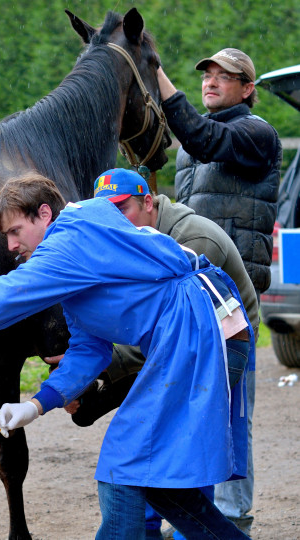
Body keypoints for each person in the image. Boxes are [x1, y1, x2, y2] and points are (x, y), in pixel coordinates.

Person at [0, 169, 252, 539]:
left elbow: (9, 295)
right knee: (159, 485)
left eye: (15, 231)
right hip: (202, 331)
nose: (11, 246)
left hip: (199, 331)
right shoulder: (77, 267)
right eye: (6, 237)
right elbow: (89, 350)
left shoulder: (72, 237)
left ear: (45, 214)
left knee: (124, 463)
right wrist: (34, 406)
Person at [57, 173, 258, 538]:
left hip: (221, 347)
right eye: (108, 213)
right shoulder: (134, 240)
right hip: (172, 347)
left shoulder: (189, 239)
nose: (116, 221)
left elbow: (182, 326)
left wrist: (97, 372)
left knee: (183, 449)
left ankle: (190, 530)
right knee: (151, 451)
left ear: (148, 202)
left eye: (123, 209)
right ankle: (150, 529)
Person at [156, 47, 282, 536]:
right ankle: (195, 514)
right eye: (207, 73)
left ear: (247, 88)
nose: (211, 81)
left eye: (224, 75)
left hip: (233, 299)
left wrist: (158, 76)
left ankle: (232, 518)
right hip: (191, 295)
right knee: (191, 405)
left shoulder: (256, 134)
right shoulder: (193, 147)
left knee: (230, 411)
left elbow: (203, 135)